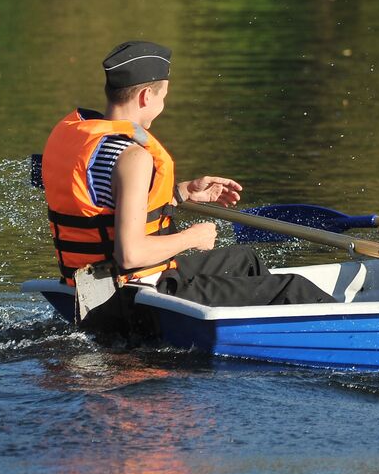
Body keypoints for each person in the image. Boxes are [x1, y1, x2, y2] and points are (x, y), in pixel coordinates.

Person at [42, 40, 335, 310]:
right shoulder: (134, 157)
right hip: (139, 292)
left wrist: (183, 193)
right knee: (294, 288)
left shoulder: (87, 141)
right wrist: (191, 237)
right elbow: (130, 255)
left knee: (244, 259)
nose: (163, 106)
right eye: (163, 98)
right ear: (146, 97)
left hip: (98, 284)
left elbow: (107, 206)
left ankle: (255, 330)